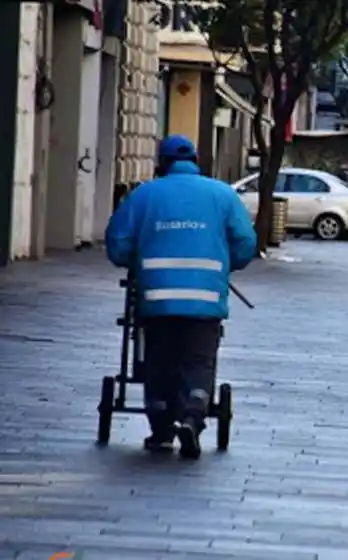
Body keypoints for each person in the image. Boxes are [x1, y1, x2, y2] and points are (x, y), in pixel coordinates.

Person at [105, 134, 257, 459]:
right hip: (204, 301)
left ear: (162, 163)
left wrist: (135, 261)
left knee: (158, 360)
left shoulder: (143, 195)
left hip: (157, 300)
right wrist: (226, 265)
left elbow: (118, 244)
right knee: (199, 360)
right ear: (196, 161)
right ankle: (193, 414)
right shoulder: (222, 195)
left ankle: (160, 429)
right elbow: (245, 241)